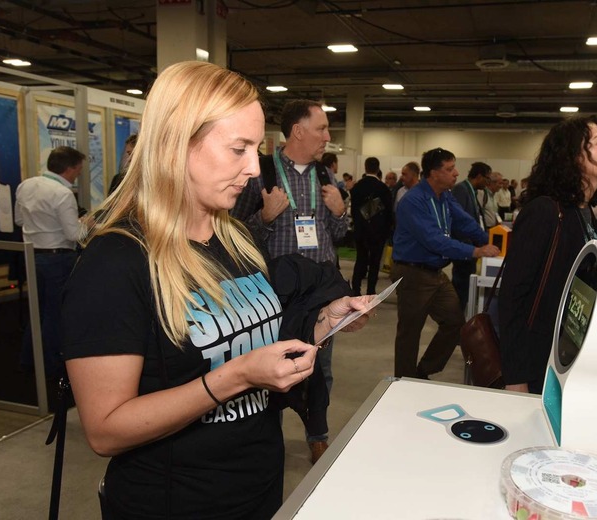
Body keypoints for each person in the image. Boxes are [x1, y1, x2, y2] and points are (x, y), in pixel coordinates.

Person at [60, 61, 371, 520]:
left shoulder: (235, 239)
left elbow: (246, 337)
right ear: (175, 143)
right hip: (177, 503)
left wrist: (324, 321)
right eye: (238, 149)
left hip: (258, 488)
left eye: (256, 150)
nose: (253, 169)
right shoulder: (116, 262)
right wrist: (237, 378)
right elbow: (106, 429)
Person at [231, 99, 347, 464]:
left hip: (320, 293)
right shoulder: (261, 173)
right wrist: (264, 218)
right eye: (321, 129)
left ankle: (318, 435)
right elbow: (233, 234)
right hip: (276, 292)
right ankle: (271, 438)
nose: (327, 137)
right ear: (298, 131)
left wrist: (340, 213)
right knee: (272, 366)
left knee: (321, 368)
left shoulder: (326, 176)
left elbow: (337, 235)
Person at [498, 116, 597, 394]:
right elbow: (512, 297)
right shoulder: (546, 211)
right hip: (537, 361)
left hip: (568, 355)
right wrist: (516, 376)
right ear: (573, 156)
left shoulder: (584, 212)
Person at [391, 147, 500, 379]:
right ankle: (403, 381)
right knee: (410, 333)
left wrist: (491, 241)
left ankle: (423, 370)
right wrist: (475, 251)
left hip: (435, 272)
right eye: (450, 169)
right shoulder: (414, 201)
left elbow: (465, 222)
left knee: (455, 322)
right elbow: (435, 240)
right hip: (413, 273)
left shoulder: (445, 196)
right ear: (433, 173)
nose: (456, 173)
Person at [14, 145, 86, 377]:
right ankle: (52, 365)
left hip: (31, 257)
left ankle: (29, 359)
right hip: (58, 259)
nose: (78, 174)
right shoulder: (63, 194)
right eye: (79, 169)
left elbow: (18, 220)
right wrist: (88, 224)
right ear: (70, 169)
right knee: (55, 313)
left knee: (36, 312)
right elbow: (74, 234)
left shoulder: (26, 185)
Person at [451, 161, 491, 310]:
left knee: (466, 286)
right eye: (487, 178)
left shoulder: (472, 191)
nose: (488, 182)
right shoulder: (461, 190)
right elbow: (459, 222)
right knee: (460, 287)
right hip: (464, 248)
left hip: (471, 246)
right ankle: (456, 316)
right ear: (479, 176)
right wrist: (469, 248)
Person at [350, 157, 392, 296]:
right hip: (378, 232)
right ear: (378, 168)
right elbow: (389, 211)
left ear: (365, 167)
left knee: (360, 260)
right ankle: (371, 291)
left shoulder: (357, 187)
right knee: (375, 262)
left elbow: (354, 211)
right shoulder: (383, 188)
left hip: (361, 230)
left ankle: (356, 289)